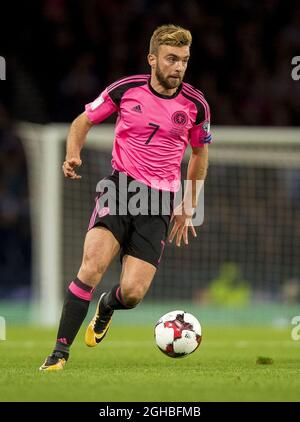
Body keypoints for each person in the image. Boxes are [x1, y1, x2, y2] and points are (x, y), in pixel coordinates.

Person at [39, 24, 211, 371]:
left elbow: (199, 154)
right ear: (152, 59)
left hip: (159, 201)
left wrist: (188, 205)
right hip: (120, 188)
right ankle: (58, 355)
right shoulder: (126, 90)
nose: (178, 67)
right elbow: (81, 122)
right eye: (171, 59)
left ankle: (106, 306)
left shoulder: (196, 105)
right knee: (91, 266)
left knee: (132, 294)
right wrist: (73, 153)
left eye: (184, 61)